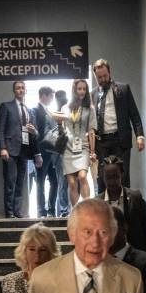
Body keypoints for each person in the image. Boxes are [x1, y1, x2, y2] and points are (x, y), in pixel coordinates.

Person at [92, 58, 145, 189]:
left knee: (123, 175)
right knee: (102, 177)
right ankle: (103, 208)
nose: (103, 79)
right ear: (95, 77)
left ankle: (124, 208)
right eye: (99, 77)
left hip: (120, 139)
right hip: (101, 142)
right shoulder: (92, 94)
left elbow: (134, 114)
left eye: (105, 76)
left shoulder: (123, 89)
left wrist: (140, 135)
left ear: (109, 73)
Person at [0, 81, 41, 218]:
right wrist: (2, 148)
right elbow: (0, 129)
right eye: (18, 88)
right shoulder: (6, 106)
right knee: (10, 181)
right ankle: (9, 212)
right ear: (14, 91)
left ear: (26, 91)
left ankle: (17, 211)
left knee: (20, 182)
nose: (20, 90)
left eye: (22, 88)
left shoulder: (29, 110)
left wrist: (35, 132)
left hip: (25, 151)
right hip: (10, 149)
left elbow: (35, 133)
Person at [98, 155, 146, 253]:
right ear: (103, 177)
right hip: (108, 258)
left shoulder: (135, 197)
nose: (112, 182)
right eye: (108, 177)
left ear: (122, 174)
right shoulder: (97, 203)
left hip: (135, 255)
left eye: (115, 177)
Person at [54, 78, 96, 209]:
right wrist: (59, 123)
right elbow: (61, 130)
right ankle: (75, 211)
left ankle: (87, 208)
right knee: (72, 183)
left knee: (83, 176)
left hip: (83, 147)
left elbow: (91, 131)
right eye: (79, 88)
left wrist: (93, 152)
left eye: (84, 89)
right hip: (68, 148)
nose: (82, 91)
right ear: (74, 90)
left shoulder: (90, 109)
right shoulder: (65, 108)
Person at [33, 87, 61, 219]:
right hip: (41, 152)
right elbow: (36, 134)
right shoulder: (35, 110)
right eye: (51, 96)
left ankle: (51, 209)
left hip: (50, 153)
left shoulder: (49, 112)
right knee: (40, 181)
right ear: (44, 96)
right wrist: (37, 153)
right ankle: (41, 211)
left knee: (54, 182)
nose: (52, 99)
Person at [54, 89, 71, 216]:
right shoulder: (55, 114)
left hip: (69, 151)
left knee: (66, 182)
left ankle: (67, 209)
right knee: (63, 183)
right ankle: (65, 209)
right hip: (61, 152)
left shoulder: (69, 111)